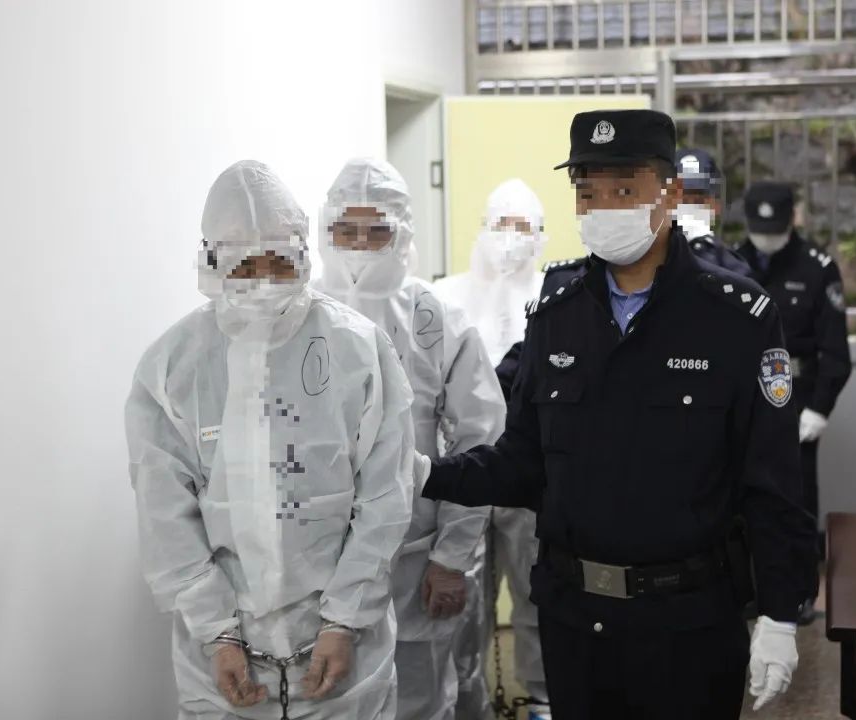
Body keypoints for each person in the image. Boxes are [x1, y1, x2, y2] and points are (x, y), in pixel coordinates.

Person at [416, 109, 816, 719]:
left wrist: (781, 614)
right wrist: (424, 472)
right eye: (587, 192)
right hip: (577, 623)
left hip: (690, 624)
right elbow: (521, 464)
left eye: (624, 191)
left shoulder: (735, 316)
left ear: (671, 194)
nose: (603, 207)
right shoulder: (557, 313)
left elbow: (773, 482)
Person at [126, 160, 416, 720]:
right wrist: (216, 632)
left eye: (277, 262)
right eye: (245, 265)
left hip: (345, 653)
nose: (263, 281)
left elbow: (386, 496)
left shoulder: (358, 349)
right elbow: (164, 514)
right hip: (221, 663)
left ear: (303, 255)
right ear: (213, 262)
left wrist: (344, 620)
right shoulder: (173, 366)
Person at [312, 157, 505, 720]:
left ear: (401, 234)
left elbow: (480, 441)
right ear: (325, 230)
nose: (359, 245)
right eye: (346, 229)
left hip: (414, 559)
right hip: (318, 564)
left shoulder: (437, 317)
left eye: (376, 230)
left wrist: (451, 556)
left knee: (423, 695)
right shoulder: (298, 313)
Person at [432, 178, 549, 707]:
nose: (510, 237)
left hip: (530, 478)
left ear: (541, 235)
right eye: (501, 224)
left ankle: (544, 700)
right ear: (482, 228)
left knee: (537, 597)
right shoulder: (445, 296)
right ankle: (464, 705)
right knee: (459, 604)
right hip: (465, 475)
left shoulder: (555, 297)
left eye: (522, 227)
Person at [737, 180, 853, 626]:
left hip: (796, 399)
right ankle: (746, 590)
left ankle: (800, 593)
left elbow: (835, 351)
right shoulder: (732, 263)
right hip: (743, 399)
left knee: (796, 499)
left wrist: (820, 408)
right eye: (759, 229)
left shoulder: (817, 268)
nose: (766, 238)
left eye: (774, 229)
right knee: (740, 498)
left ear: (792, 220)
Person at [675, 148, 752, 276]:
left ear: (715, 205)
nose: (689, 207)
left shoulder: (732, 268)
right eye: (683, 200)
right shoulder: (649, 262)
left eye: (699, 201)